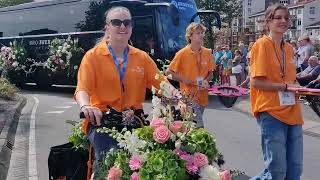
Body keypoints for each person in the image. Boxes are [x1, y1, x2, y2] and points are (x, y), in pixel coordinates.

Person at [74, 6, 162, 164]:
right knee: (110, 160)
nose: (122, 27)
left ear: (131, 27)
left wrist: (180, 99)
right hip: (103, 121)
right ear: (107, 27)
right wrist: (85, 106)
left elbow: (163, 85)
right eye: (116, 22)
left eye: (127, 23)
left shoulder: (142, 57)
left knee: (147, 162)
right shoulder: (92, 56)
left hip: (134, 120)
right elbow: (82, 89)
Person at [250, 4, 303, 180]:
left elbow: (290, 79)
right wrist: (285, 87)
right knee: (277, 171)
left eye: (286, 18)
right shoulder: (261, 45)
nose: (283, 21)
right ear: (268, 21)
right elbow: (256, 81)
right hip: (271, 112)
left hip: (293, 112)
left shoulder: (289, 48)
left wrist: (298, 87)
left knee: (295, 169)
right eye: (278, 17)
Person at [165, 22, 215, 128]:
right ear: (190, 36)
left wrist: (206, 81)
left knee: (191, 127)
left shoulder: (207, 53)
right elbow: (168, 72)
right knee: (199, 127)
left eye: (202, 33)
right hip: (188, 97)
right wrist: (183, 79)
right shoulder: (182, 54)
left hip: (203, 97)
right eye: (197, 33)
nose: (201, 35)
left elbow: (211, 73)